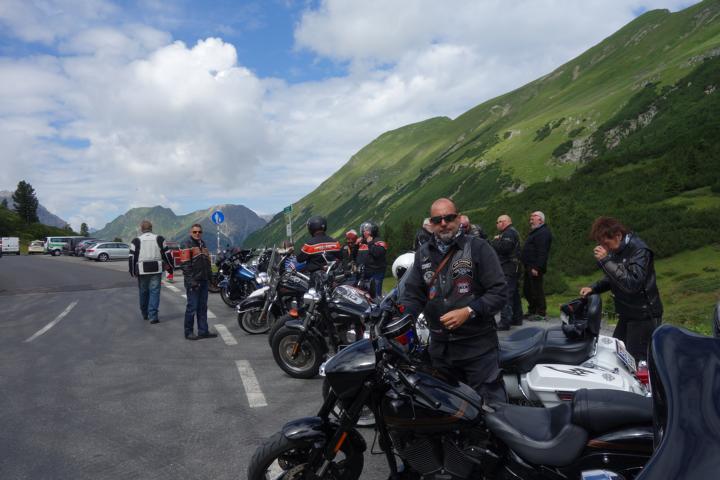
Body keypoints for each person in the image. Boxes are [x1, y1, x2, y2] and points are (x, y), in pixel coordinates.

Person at [400, 198, 508, 403]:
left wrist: (469, 311)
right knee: (449, 410)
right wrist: (401, 317)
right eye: (437, 220)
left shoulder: (478, 247)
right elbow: (413, 295)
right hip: (441, 351)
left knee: (491, 409)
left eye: (448, 218)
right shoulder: (423, 253)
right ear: (431, 223)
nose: (443, 223)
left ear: (458, 218)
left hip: (477, 349)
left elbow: (499, 291)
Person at [579, 217, 662, 362]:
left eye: (606, 243)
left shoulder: (639, 250)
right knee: (616, 353)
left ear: (618, 235)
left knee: (635, 361)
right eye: (601, 244)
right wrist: (594, 288)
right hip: (627, 312)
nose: (604, 247)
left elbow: (632, 283)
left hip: (643, 315)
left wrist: (606, 261)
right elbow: (614, 277)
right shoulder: (616, 249)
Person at [128, 220, 174, 324]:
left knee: (143, 292)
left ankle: (145, 313)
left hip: (142, 270)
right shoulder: (159, 239)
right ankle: (153, 316)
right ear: (151, 228)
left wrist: (132, 271)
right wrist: (171, 267)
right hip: (156, 269)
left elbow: (131, 257)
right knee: (154, 292)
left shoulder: (136, 240)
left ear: (141, 229)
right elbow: (167, 254)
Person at [180, 224, 218, 340]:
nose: (197, 234)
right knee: (192, 307)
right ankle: (188, 332)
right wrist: (191, 281)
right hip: (194, 281)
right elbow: (185, 265)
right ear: (190, 232)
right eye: (195, 232)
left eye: (199, 232)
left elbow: (207, 263)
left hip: (204, 280)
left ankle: (203, 331)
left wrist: (211, 278)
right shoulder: (186, 244)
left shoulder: (203, 244)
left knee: (203, 307)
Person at [490, 215, 522, 330]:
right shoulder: (512, 232)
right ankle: (517, 318)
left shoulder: (508, 233)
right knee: (514, 294)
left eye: (498, 222)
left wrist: (495, 241)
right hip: (513, 267)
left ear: (503, 222)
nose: (497, 225)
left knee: (506, 294)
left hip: (508, 267)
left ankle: (505, 322)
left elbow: (505, 248)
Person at [520, 211, 552, 321]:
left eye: (533, 218)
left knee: (536, 290)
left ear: (540, 220)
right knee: (528, 290)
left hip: (534, 266)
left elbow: (542, 251)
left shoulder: (543, 232)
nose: (531, 220)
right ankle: (532, 310)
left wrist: (537, 267)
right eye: (530, 219)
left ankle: (541, 312)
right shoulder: (536, 232)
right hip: (529, 266)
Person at [358, 221, 387, 299]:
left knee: (375, 296)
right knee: (364, 296)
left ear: (372, 231)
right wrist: (355, 246)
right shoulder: (363, 242)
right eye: (364, 230)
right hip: (365, 273)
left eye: (367, 230)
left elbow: (378, 253)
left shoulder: (379, 241)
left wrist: (370, 243)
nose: (364, 232)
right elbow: (357, 256)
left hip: (376, 273)